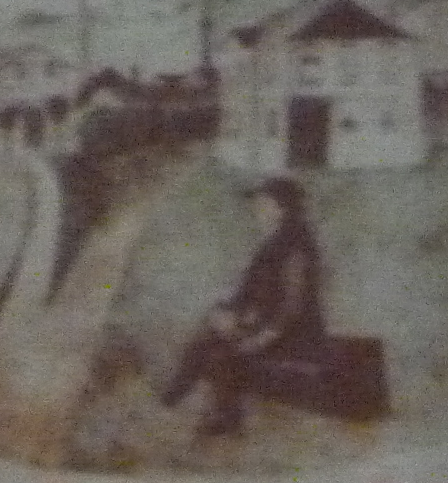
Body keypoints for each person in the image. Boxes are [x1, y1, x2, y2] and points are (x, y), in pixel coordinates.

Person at [162, 176, 387, 434]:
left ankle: (198, 410)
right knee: (210, 338)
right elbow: (249, 294)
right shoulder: (271, 245)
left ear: (282, 208)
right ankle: (187, 406)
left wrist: (256, 338)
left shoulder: (297, 246)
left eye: (264, 202)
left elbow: (292, 309)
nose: (258, 208)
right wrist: (229, 314)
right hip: (268, 329)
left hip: (294, 338)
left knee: (221, 351)